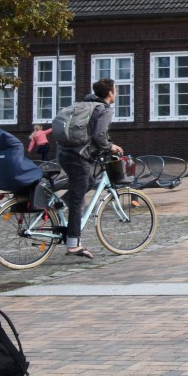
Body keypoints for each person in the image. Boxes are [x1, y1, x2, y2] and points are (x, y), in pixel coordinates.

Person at [56, 78, 124, 259]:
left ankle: (59, 204)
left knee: (89, 181)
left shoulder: (84, 105)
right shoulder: (104, 110)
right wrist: (111, 147)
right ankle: (73, 244)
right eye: (115, 90)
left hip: (63, 153)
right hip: (78, 157)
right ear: (110, 93)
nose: (115, 93)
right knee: (78, 200)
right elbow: (100, 136)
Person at [0, 127, 43, 193]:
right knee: (39, 173)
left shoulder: (0, 149)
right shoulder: (15, 146)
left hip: (2, 182)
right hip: (19, 179)